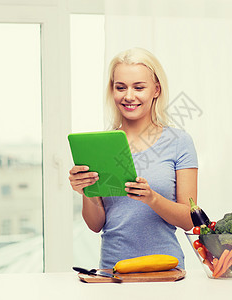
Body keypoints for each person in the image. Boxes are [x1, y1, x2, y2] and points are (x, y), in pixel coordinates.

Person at [68, 48, 198, 269]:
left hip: (166, 271)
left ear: (156, 89)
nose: (129, 96)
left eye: (139, 87)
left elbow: (190, 220)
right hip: (113, 270)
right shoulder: (101, 147)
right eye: (121, 87)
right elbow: (95, 225)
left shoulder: (179, 142)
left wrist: (152, 198)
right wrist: (87, 192)